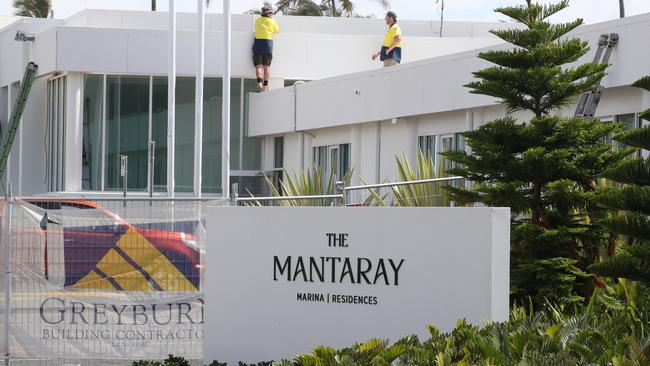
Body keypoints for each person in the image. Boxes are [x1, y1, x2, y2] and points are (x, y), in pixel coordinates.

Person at [252, 6, 280, 92]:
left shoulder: (257, 21)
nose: (272, 14)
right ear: (268, 13)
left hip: (258, 44)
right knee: (267, 66)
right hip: (268, 44)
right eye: (271, 13)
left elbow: (255, 27)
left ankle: (259, 83)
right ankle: (265, 85)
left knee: (259, 66)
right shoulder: (272, 21)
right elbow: (277, 31)